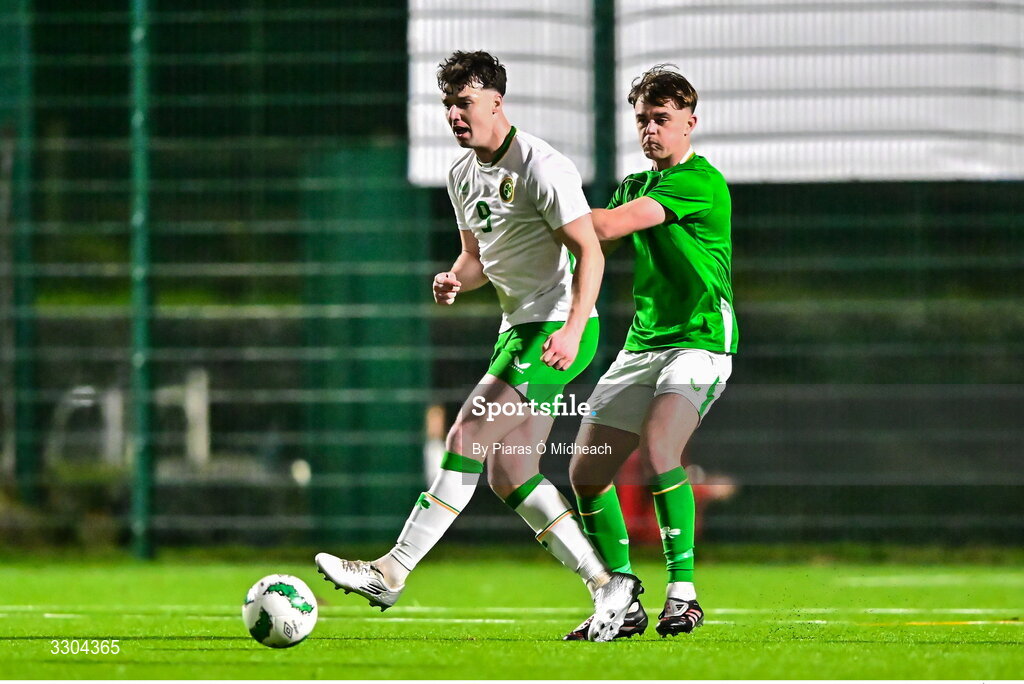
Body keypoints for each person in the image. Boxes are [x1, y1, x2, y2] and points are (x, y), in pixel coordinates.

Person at [315, 51, 641, 642]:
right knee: (509, 472)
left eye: (463, 103)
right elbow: (477, 260)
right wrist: (454, 277)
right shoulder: (461, 175)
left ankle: (392, 569)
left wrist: (571, 329)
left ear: (496, 102)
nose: (453, 115)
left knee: (466, 433)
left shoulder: (544, 167)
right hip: (517, 329)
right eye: (446, 104)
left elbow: (590, 251)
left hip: (557, 328)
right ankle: (610, 589)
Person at [563, 65, 738, 640]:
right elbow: (594, 242)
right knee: (586, 473)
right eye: (642, 120)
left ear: (690, 122)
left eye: (662, 119)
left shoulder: (699, 182)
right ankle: (621, 597)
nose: (650, 130)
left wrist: (538, 212)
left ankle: (682, 594)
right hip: (645, 342)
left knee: (662, 450)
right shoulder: (632, 184)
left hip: (700, 341)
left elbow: (608, 226)